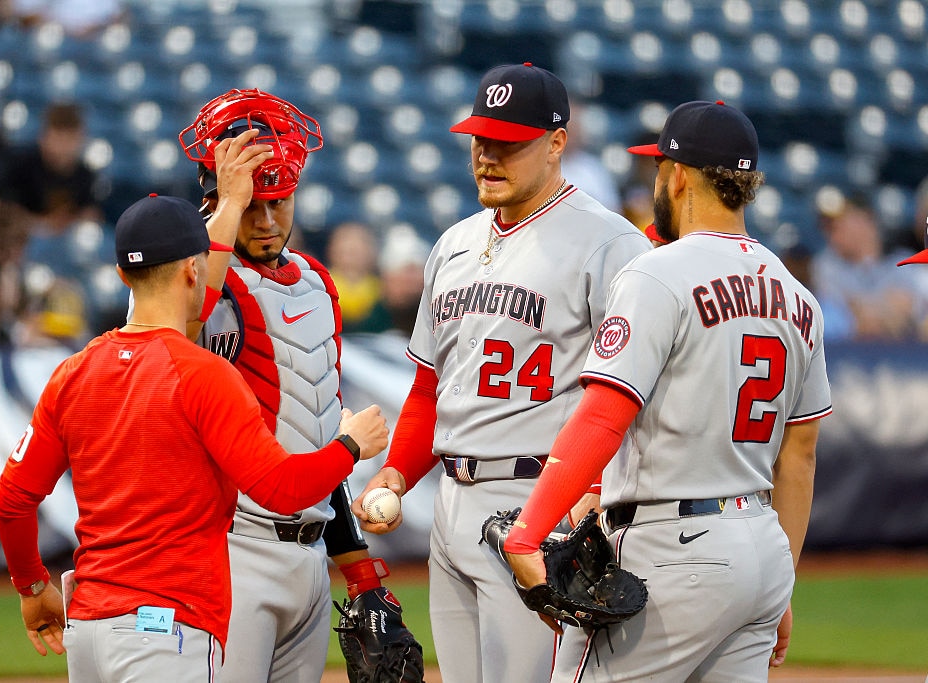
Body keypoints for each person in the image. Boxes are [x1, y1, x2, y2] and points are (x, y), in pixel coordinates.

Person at [0, 192, 389, 681]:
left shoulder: (74, 372)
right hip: (166, 628)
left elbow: (11, 500)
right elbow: (282, 489)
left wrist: (32, 589)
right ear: (192, 270)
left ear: (122, 276)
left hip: (90, 626)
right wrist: (350, 445)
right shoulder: (204, 374)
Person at [504, 100, 833, 681]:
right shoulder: (797, 296)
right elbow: (800, 457)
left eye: (657, 168)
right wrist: (778, 583)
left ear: (677, 175)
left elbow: (605, 415)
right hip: (759, 546)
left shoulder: (657, 274)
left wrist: (529, 533)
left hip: (672, 549)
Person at [351, 63, 652, 683]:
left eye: (508, 143)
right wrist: (398, 474)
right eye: (481, 140)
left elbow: (629, 392)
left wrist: (593, 495)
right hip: (451, 506)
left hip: (538, 503)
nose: (488, 156)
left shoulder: (609, 244)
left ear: (557, 143)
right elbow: (431, 387)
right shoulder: (453, 244)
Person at [178, 88, 421, 682]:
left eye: (278, 202)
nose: (265, 221)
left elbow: (314, 432)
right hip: (230, 548)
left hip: (310, 558)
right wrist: (226, 208)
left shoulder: (316, 282)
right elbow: (186, 323)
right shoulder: (197, 277)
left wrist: (358, 570)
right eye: (251, 205)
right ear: (216, 198)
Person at [810, 196, 924, 341]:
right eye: (828, 228)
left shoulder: (903, 259)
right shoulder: (826, 264)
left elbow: (907, 310)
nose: (832, 235)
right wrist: (885, 310)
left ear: (866, 219)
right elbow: (842, 319)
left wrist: (864, 309)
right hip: (847, 357)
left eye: (839, 225)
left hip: (905, 355)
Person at [0, 103, 103, 235]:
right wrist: (44, 225)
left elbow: (90, 214)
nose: (63, 147)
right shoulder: (21, 167)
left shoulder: (85, 175)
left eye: (70, 139)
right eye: (58, 138)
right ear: (44, 137)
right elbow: (5, 212)